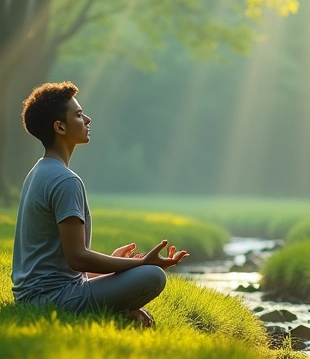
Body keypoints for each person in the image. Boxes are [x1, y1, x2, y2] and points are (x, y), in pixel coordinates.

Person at [11, 81, 188, 327]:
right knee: (152, 276)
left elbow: (64, 266)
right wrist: (142, 262)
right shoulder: (65, 180)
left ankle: (114, 312)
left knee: (139, 273)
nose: (88, 119)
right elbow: (77, 258)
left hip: (33, 297)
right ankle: (114, 313)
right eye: (79, 114)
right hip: (50, 301)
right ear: (60, 127)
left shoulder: (38, 172)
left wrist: (113, 266)